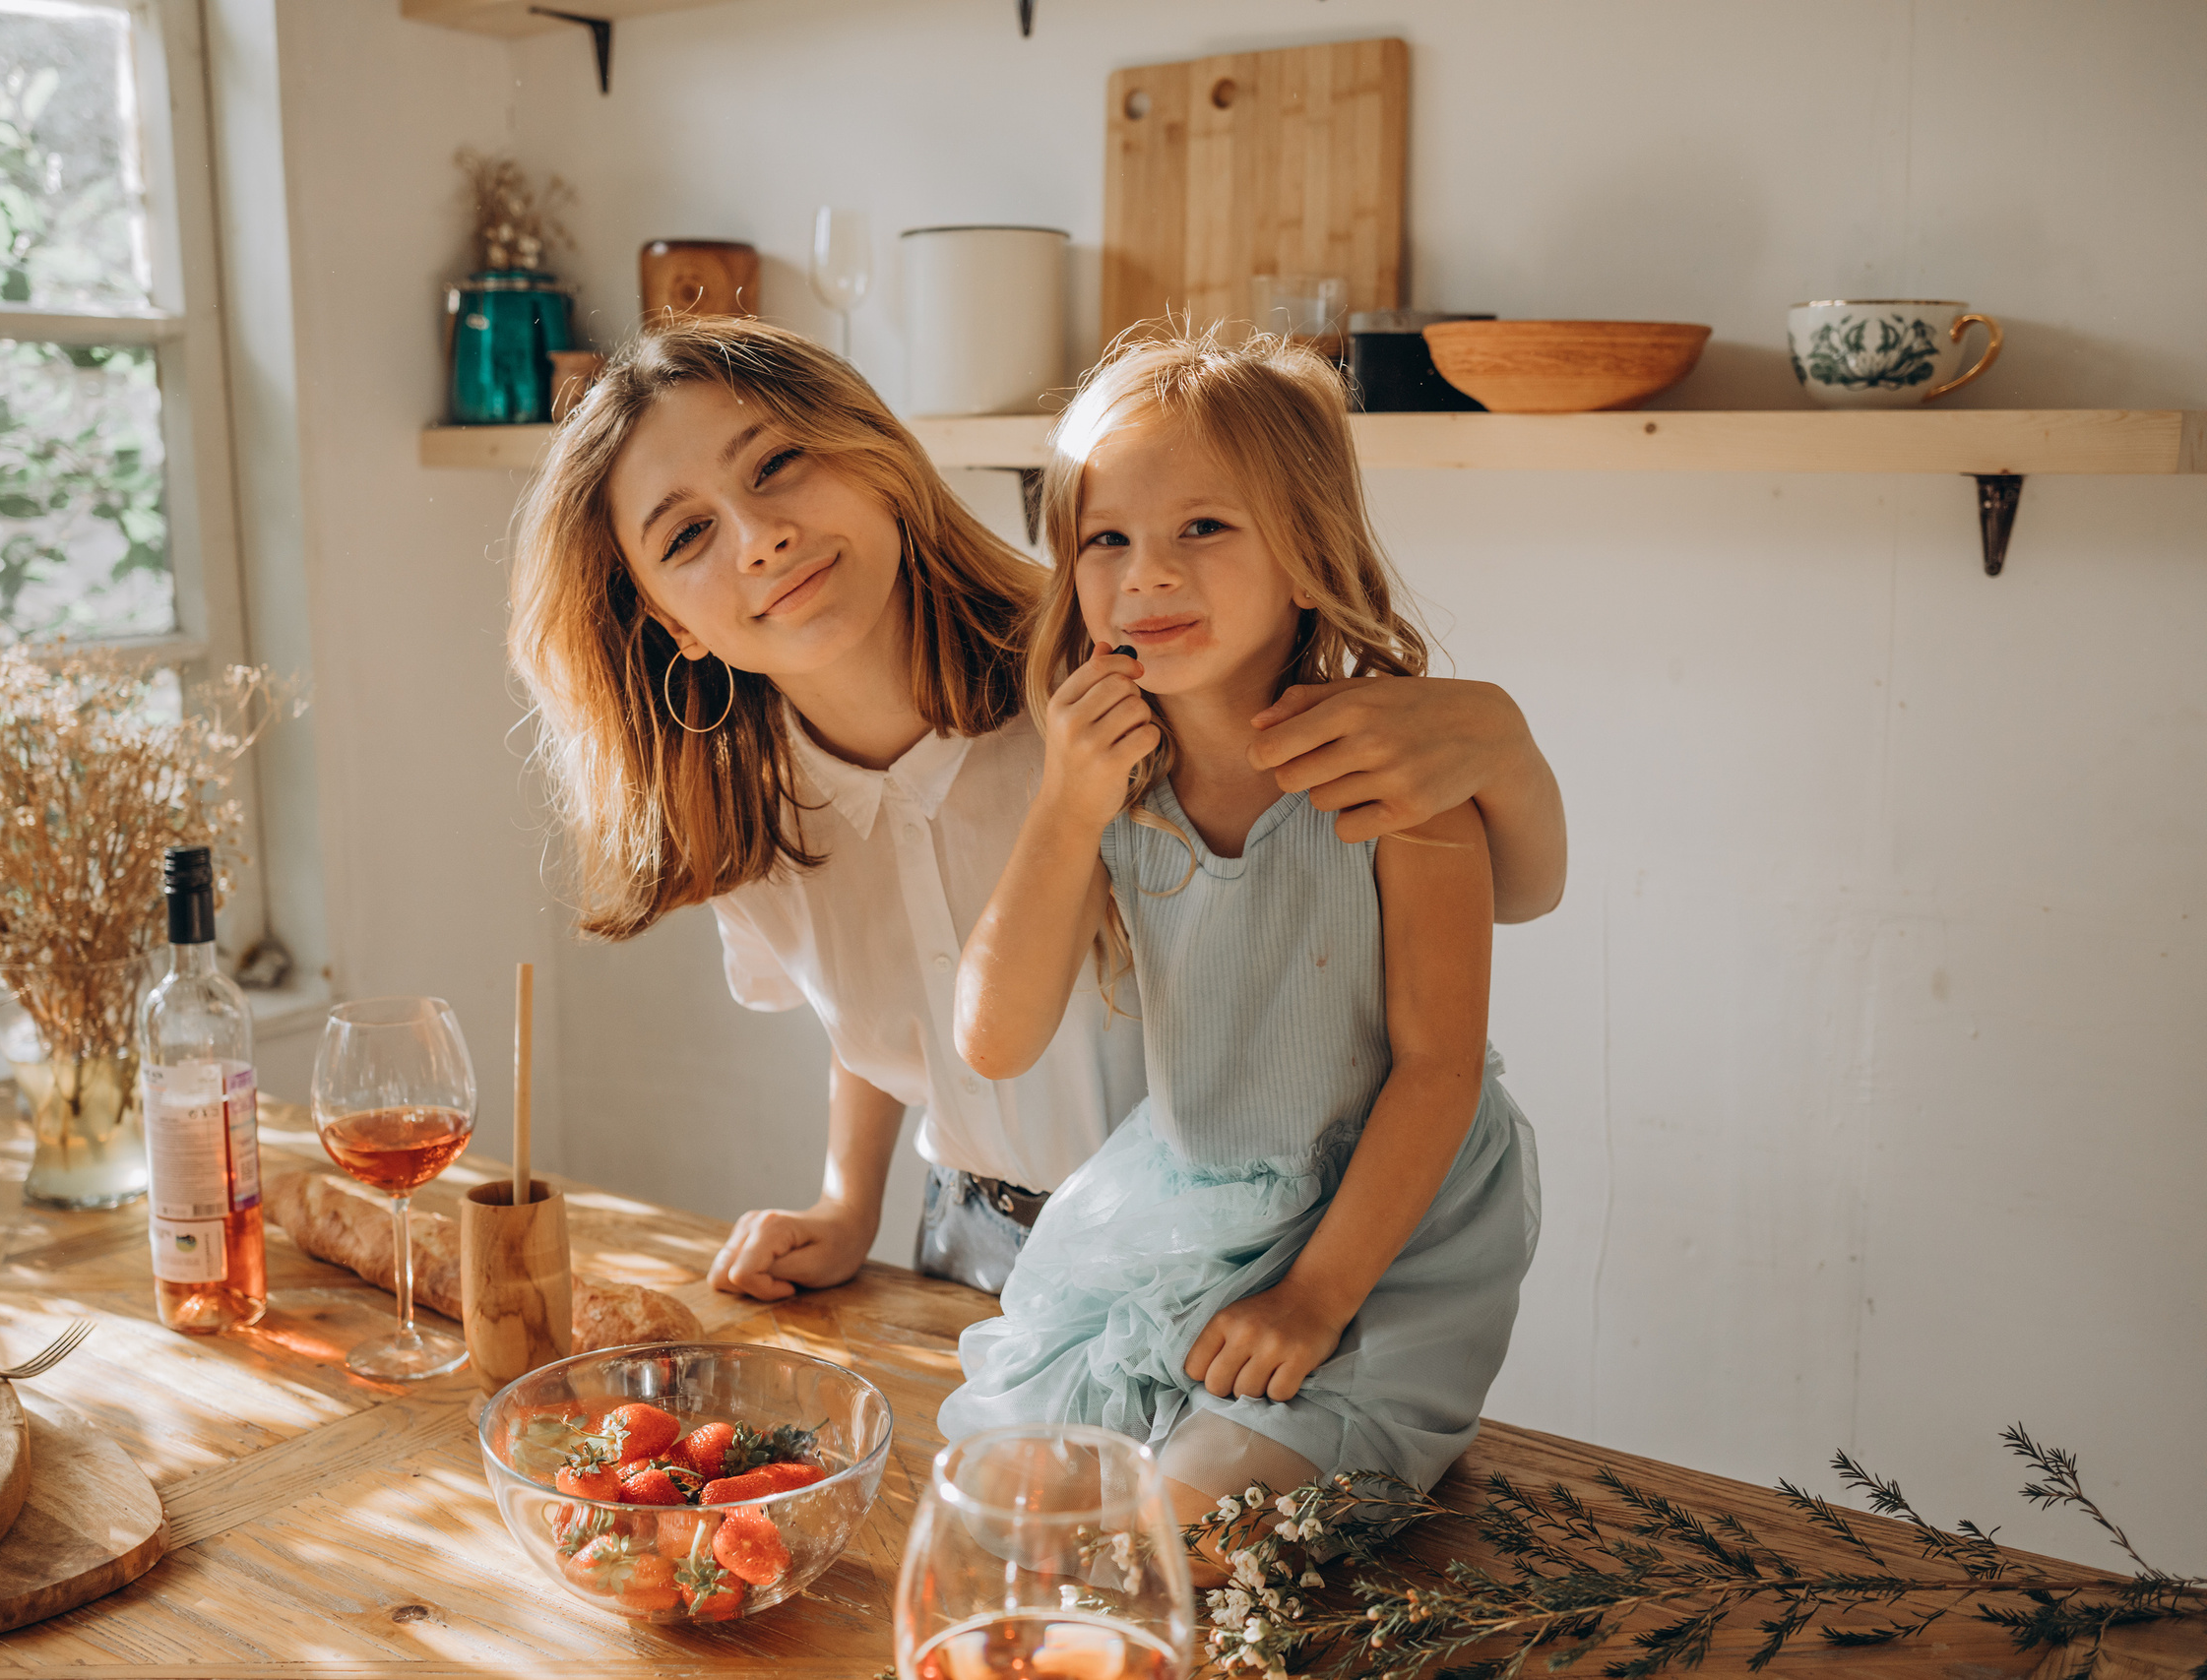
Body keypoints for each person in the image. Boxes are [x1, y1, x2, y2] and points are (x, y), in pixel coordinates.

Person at [508, 318, 1561, 1301]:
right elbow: (884, 1001)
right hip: (964, 1242)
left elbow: (1459, 889)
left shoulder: (1111, 685)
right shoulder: (743, 819)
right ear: (663, 618)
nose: (759, 537)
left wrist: (1505, 749)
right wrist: (846, 1199)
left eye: (777, 464)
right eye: (686, 534)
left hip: (1228, 1255)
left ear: (877, 457)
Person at [936, 332, 1541, 1548]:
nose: (1144, 575)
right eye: (1106, 540)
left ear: (1309, 559)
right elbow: (994, 1042)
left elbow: (1437, 1066)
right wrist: (1064, 809)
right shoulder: (1109, 787)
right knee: (1025, 1520)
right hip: (1187, 1204)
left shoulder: (1397, 776)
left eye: (1201, 529)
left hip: (1384, 1227)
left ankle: (1363, 1407)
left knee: (1188, 1540)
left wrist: (1314, 1300)